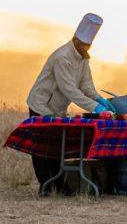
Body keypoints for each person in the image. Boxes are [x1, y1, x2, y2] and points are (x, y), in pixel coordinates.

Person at [24, 13, 105, 194]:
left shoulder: (83, 59)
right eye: (84, 44)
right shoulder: (62, 57)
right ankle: (46, 187)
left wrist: (100, 100)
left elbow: (86, 85)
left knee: (57, 148)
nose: (86, 48)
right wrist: (95, 108)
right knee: (42, 150)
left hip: (57, 109)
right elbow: (70, 90)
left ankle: (59, 185)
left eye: (89, 45)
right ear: (76, 40)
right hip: (41, 106)